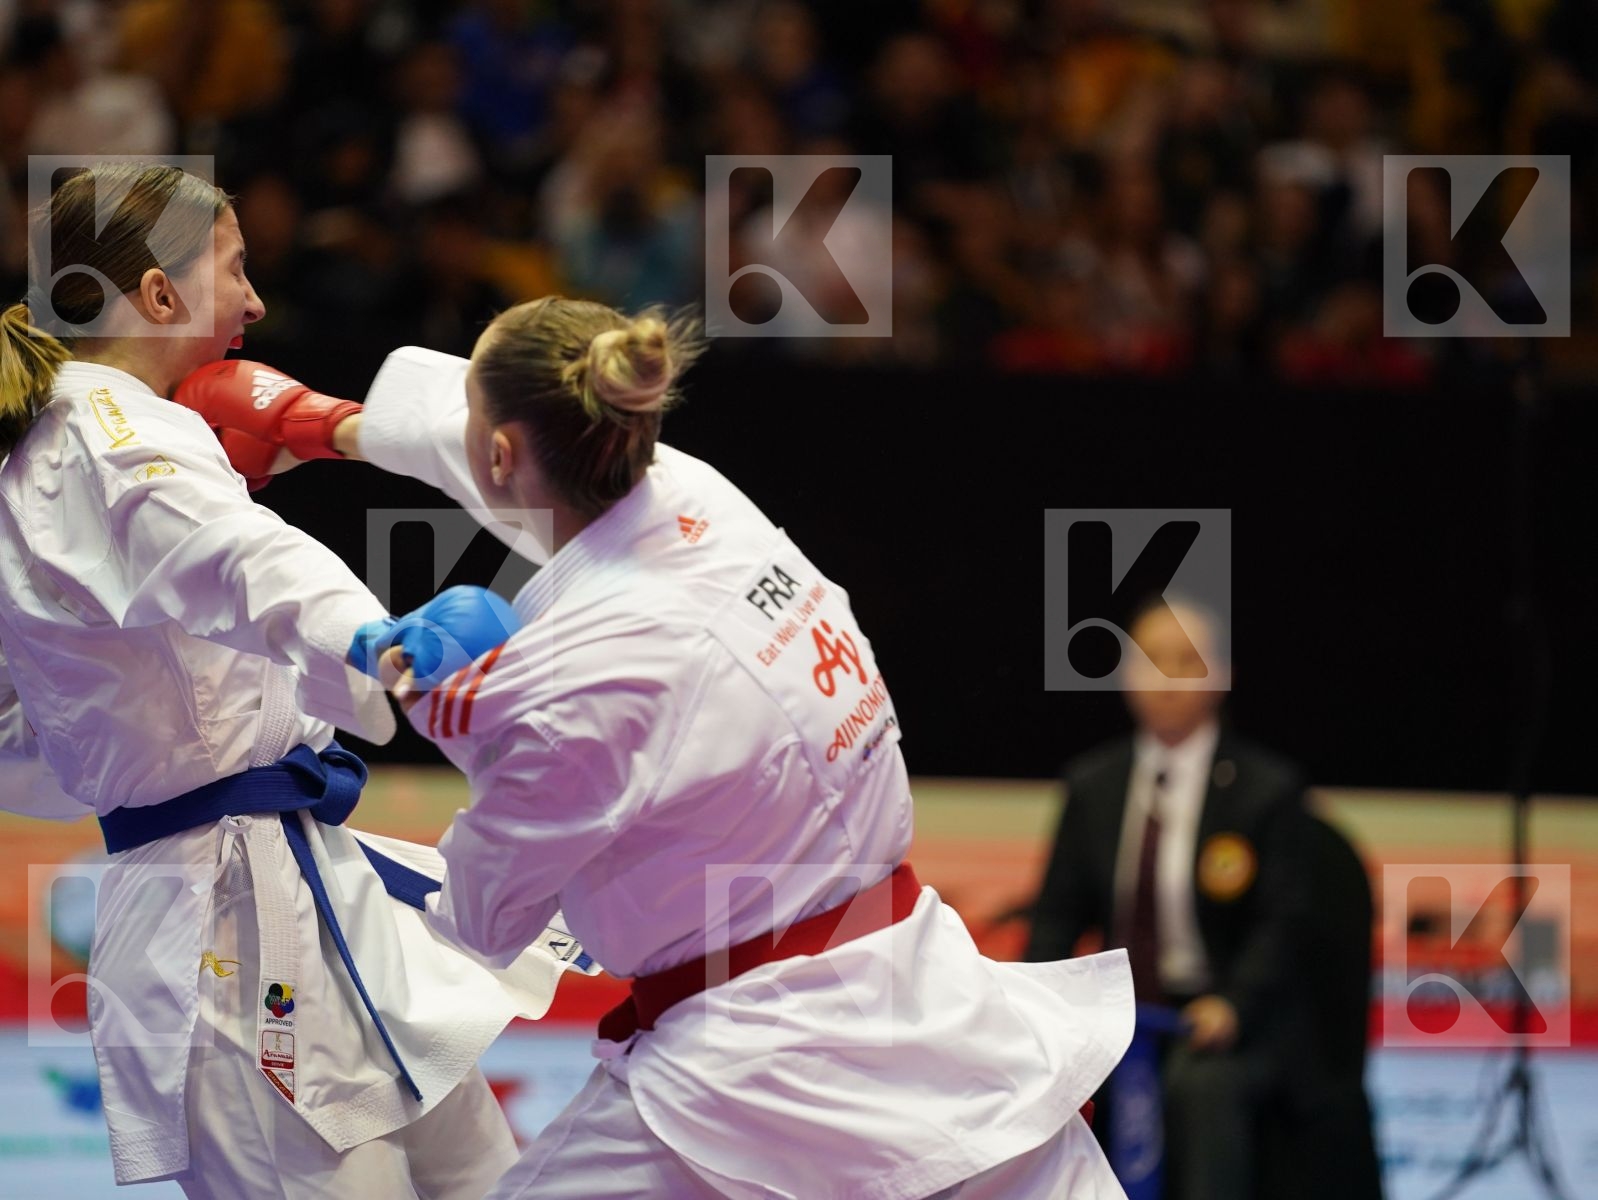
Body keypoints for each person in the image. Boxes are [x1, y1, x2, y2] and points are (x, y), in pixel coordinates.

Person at [174, 296, 1139, 1200]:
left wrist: (438, 703)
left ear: (504, 451)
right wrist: (322, 423)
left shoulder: (564, 690)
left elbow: (480, 921)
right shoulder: (690, 490)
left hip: (755, 1050)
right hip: (927, 990)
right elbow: (496, 441)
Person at [0, 162, 581, 1198]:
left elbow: (31, 737)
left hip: (298, 892)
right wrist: (375, 637)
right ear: (161, 296)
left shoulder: (62, 446)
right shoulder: (119, 441)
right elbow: (245, 559)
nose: (257, 302)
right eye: (233, 269)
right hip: (223, 931)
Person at [1025, 598, 1309, 1200]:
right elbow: (1054, 917)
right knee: (1035, 1078)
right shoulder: (1093, 784)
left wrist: (1233, 1005)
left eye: (1188, 660)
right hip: (1117, 1012)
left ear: (1222, 676)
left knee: (1201, 1090)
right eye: (1153, 659)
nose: (1168, 677)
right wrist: (1036, 1011)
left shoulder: (1266, 790)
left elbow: (1283, 927)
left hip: (1217, 1018)